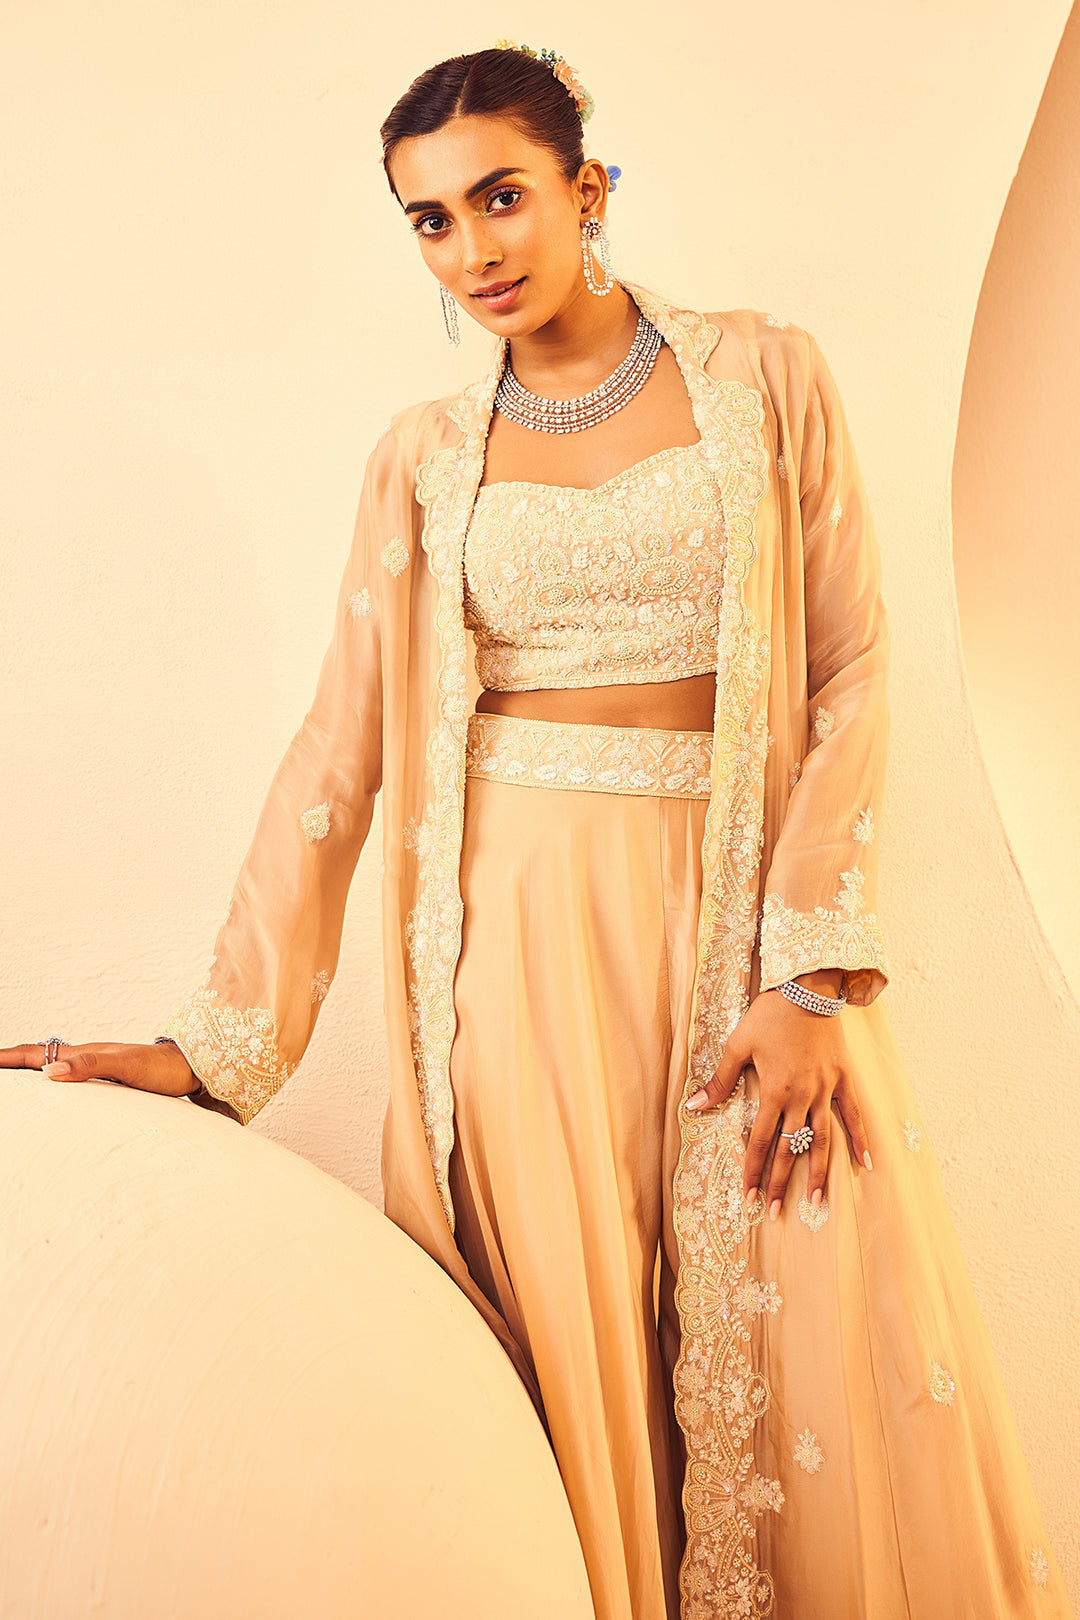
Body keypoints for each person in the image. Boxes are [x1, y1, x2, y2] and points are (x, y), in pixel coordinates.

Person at [4, 43, 1072, 1620]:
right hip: (514, 960)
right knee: (572, 1349)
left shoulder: (764, 379)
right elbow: (340, 748)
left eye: (501, 197)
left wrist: (810, 978)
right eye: (430, 220)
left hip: (739, 934)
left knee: (795, 1304)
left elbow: (849, 666)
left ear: (588, 187)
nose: (474, 249)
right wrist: (216, 1045)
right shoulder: (426, 460)